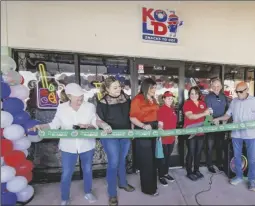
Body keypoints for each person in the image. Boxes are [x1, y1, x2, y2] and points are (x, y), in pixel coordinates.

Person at [30, 83, 112, 205]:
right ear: (69, 96)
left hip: (86, 145)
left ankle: (88, 192)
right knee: (67, 173)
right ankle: (65, 198)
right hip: (68, 147)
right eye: (77, 98)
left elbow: (95, 121)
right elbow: (54, 125)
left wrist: (101, 125)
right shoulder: (61, 108)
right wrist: (41, 126)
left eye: (81, 98)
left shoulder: (90, 106)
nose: (80, 100)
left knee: (88, 170)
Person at [213, 82, 255, 191]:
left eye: (240, 91)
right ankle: (239, 176)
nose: (238, 94)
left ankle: (251, 180)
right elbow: (227, 115)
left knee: (252, 159)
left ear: (246, 90)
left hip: (251, 134)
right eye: (237, 91)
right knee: (236, 156)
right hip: (236, 134)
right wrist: (218, 119)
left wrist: (254, 124)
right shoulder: (234, 101)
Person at [96, 76, 135, 206]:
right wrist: (104, 125)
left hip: (125, 135)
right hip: (110, 136)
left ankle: (123, 183)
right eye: (115, 87)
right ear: (107, 89)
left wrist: (132, 129)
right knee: (113, 162)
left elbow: (131, 115)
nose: (119, 89)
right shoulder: (102, 101)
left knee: (122, 160)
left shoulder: (126, 98)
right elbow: (98, 120)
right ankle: (112, 194)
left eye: (119, 86)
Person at [129, 78, 159, 196]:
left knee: (153, 160)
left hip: (154, 129)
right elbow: (132, 117)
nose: (154, 90)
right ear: (146, 87)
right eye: (152, 88)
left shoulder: (153, 99)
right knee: (146, 161)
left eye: (155, 88)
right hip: (143, 130)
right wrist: (143, 126)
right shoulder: (138, 99)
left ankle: (153, 185)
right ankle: (148, 189)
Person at [183, 86, 211, 181]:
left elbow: (208, 117)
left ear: (199, 94)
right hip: (190, 131)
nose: (194, 95)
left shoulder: (203, 103)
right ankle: (189, 172)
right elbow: (190, 116)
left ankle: (196, 170)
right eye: (192, 93)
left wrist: (210, 115)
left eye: (195, 93)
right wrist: (204, 113)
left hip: (201, 132)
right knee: (191, 152)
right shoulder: (187, 103)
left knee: (198, 152)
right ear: (189, 95)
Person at [204, 79, 228, 173]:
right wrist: (212, 121)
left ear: (221, 87)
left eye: (218, 86)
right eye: (214, 86)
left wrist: (225, 120)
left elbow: (227, 110)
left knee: (220, 146)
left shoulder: (224, 97)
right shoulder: (208, 97)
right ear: (211, 87)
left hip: (221, 124)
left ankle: (219, 163)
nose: (216, 88)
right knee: (209, 146)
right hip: (210, 124)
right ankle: (209, 164)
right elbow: (207, 112)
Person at [157, 91, 177, 186]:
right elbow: (160, 124)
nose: (170, 99)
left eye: (171, 98)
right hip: (164, 139)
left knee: (168, 157)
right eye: (168, 98)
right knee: (163, 159)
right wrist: (160, 134)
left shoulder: (172, 109)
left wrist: (175, 136)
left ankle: (166, 173)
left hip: (172, 138)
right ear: (164, 99)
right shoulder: (161, 109)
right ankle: (161, 176)